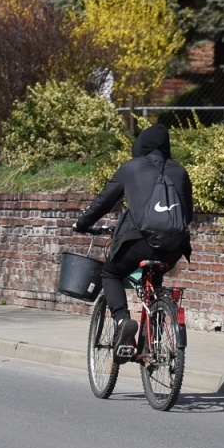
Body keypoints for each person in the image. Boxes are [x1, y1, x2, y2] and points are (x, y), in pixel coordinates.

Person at [74, 123, 194, 349]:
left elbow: (104, 202)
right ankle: (154, 338)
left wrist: (81, 223)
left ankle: (122, 321)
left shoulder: (131, 168)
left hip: (139, 243)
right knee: (156, 278)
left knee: (110, 273)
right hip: (174, 247)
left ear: (141, 146)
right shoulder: (180, 171)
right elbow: (187, 214)